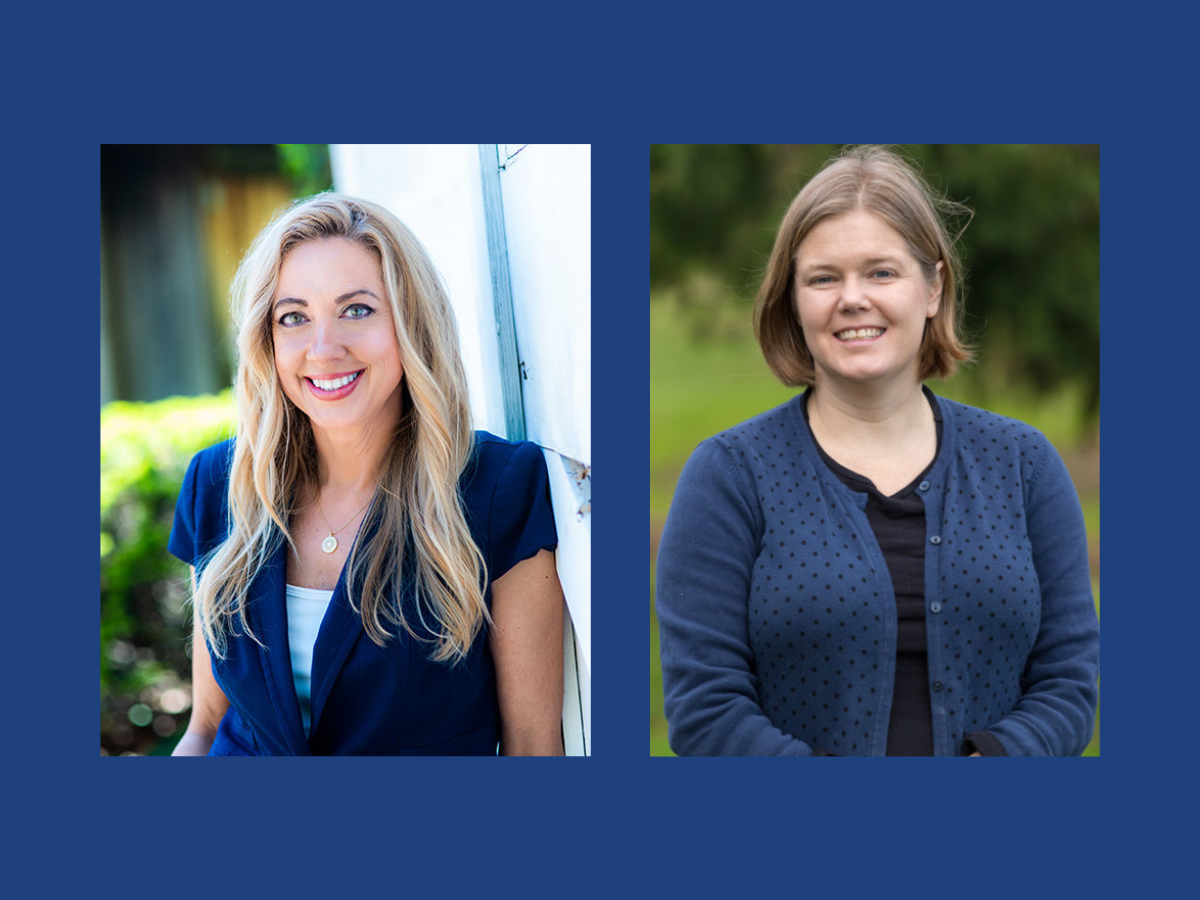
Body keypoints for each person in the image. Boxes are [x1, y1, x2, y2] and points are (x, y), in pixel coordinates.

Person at [656, 146, 1099, 756]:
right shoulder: (731, 476)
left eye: (881, 272)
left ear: (933, 288)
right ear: (792, 299)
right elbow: (705, 709)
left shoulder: (1023, 466)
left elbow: (1068, 683)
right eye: (823, 278)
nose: (852, 298)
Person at [169, 193, 565, 755]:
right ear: (268, 340)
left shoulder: (496, 489)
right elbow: (206, 724)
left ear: (411, 324)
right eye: (294, 317)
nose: (323, 349)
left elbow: (533, 747)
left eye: (357, 309)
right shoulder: (220, 484)